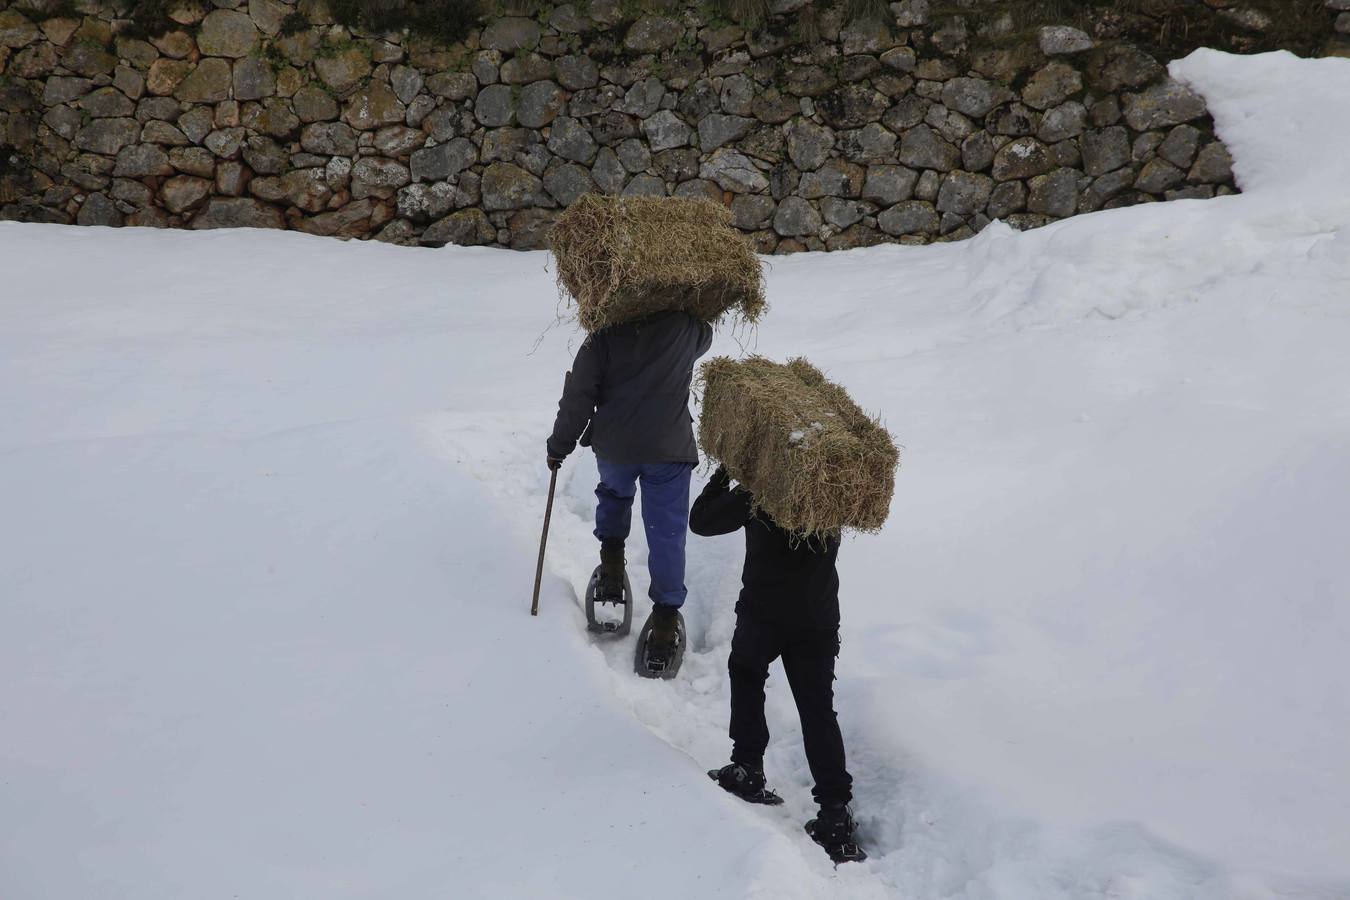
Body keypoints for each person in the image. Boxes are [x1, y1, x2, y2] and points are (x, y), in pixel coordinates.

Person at [689, 465, 865, 864]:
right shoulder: (832, 488)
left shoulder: (761, 489)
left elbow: (701, 522)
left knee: (747, 676)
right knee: (817, 709)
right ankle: (835, 813)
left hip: (763, 615)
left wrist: (725, 475)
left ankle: (748, 767)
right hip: (816, 620)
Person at [546, 310, 714, 670]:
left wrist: (559, 446)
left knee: (614, 496)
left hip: (616, 446)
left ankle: (610, 568)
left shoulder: (602, 336)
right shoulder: (684, 327)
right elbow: (707, 335)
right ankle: (666, 622)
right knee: (667, 533)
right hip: (668, 450)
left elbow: (578, 397)